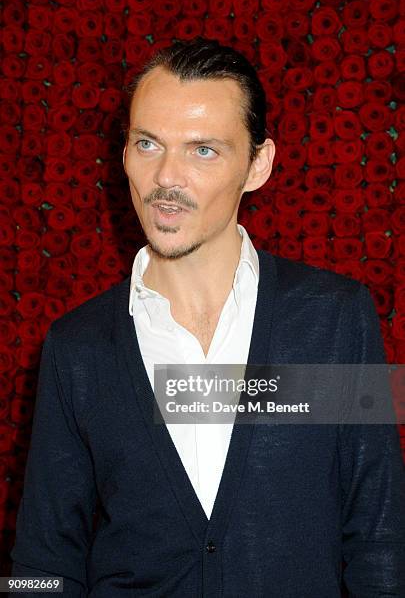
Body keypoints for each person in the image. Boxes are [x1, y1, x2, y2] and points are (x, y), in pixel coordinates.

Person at [10, 38, 405, 597]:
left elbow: (381, 536)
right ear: (123, 154)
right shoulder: (77, 347)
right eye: (148, 143)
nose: (166, 178)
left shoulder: (335, 319)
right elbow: (41, 563)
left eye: (203, 150)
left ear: (258, 165)